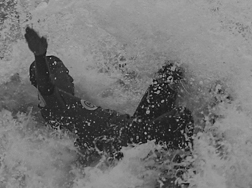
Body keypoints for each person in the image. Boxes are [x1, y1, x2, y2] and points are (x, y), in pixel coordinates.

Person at [23, 26, 194, 164]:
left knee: (170, 73)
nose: (69, 77)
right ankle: (178, 175)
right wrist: (39, 56)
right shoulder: (53, 105)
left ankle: (164, 153)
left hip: (133, 126)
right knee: (180, 117)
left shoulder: (67, 102)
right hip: (122, 140)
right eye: (62, 73)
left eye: (66, 72)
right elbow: (45, 86)